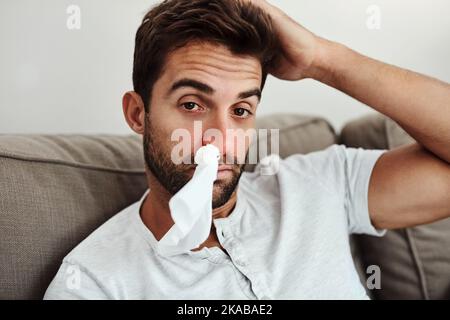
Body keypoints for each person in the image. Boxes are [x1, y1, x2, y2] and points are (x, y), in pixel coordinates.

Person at [44, 0, 450, 299]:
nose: (220, 137)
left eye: (241, 110)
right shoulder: (94, 283)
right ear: (138, 113)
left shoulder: (319, 184)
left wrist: (322, 60)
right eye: (192, 105)